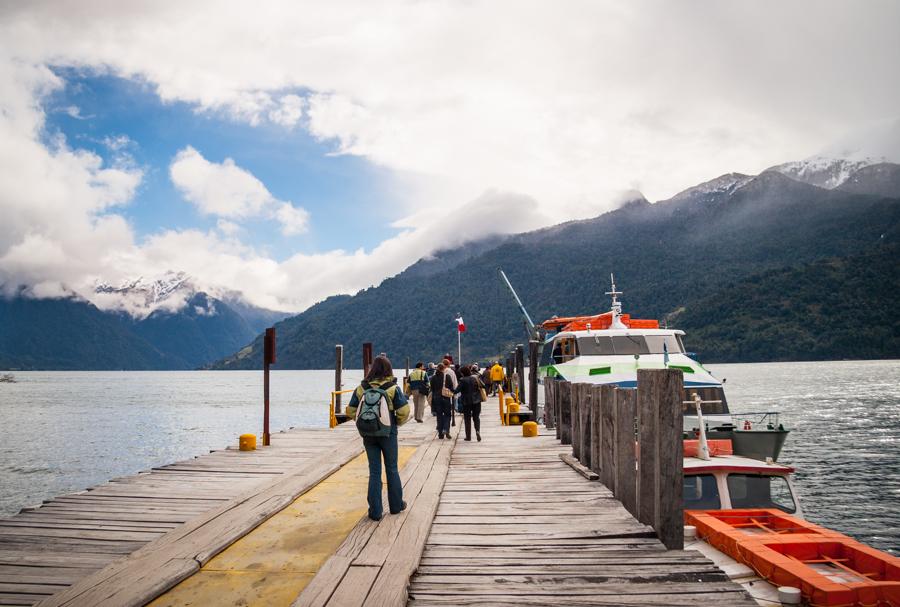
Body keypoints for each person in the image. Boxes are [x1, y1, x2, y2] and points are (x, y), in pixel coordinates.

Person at [346, 356, 409, 521]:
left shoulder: (362, 387)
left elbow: (351, 410)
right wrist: (394, 423)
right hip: (388, 433)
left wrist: (366, 422)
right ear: (389, 369)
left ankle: (375, 511)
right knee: (392, 468)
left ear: (372, 369)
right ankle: (395, 506)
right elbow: (404, 412)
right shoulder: (392, 388)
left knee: (374, 471)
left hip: (368, 434)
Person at [457, 365, 485, 441]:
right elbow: (483, 385)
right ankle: (477, 431)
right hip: (477, 401)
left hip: (466, 402)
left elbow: (457, 390)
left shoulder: (462, 380)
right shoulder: (475, 378)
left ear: (463, 373)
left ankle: (468, 436)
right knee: (476, 417)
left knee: (467, 419)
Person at [430, 362, 453, 439]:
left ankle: (440, 434)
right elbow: (451, 388)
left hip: (437, 398)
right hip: (446, 398)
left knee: (439, 416)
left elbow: (432, 389)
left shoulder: (433, 378)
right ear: (444, 369)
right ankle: (446, 429)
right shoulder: (447, 376)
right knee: (447, 415)